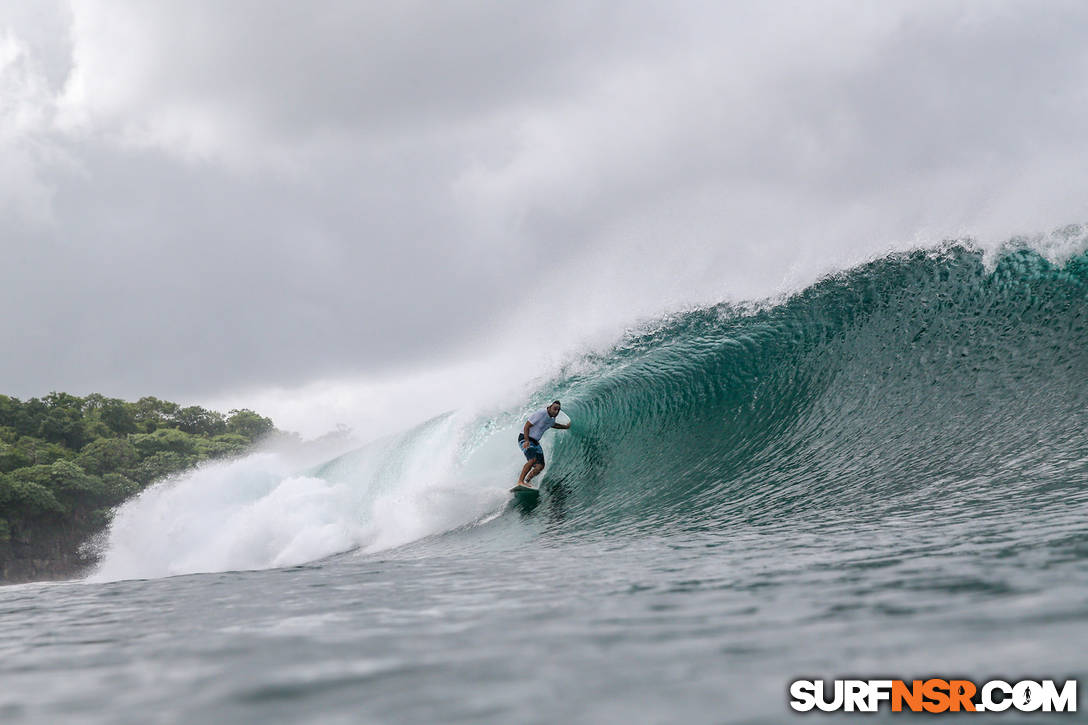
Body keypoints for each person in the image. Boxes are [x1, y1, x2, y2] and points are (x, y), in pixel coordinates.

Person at [515, 400, 570, 489]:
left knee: (540, 466)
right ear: (549, 407)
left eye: (558, 410)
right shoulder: (541, 413)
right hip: (525, 438)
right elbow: (527, 426)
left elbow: (553, 425)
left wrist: (565, 427)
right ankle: (520, 481)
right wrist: (526, 440)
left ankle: (527, 481)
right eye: (554, 409)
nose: (556, 411)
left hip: (535, 442)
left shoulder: (551, 419)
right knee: (532, 459)